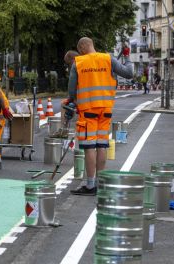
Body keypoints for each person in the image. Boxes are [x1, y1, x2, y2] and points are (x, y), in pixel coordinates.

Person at [66, 37, 133, 196]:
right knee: (102, 145)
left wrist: (73, 102)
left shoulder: (79, 63)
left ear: (82, 48)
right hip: (106, 110)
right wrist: (127, 56)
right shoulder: (108, 59)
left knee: (89, 147)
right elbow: (129, 73)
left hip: (88, 111)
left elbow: (71, 91)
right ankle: (101, 183)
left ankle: (90, 185)